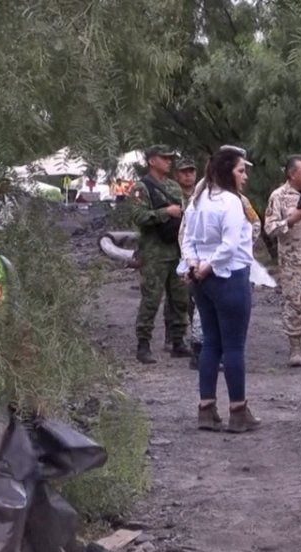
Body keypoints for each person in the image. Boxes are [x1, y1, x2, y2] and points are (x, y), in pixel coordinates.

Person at [179, 147, 260, 434]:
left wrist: (193, 265)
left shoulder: (197, 201)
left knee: (211, 342)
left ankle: (206, 407)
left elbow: (186, 238)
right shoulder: (230, 202)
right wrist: (208, 266)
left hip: (202, 279)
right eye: (241, 170)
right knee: (234, 346)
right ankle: (238, 411)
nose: (245, 176)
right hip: (228, 276)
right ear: (228, 172)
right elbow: (230, 245)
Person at [129, 145, 191, 364]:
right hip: (154, 252)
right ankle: (143, 344)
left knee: (180, 299)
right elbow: (138, 215)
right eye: (164, 158)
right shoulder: (141, 188)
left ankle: (178, 341)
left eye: (170, 158)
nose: (169, 161)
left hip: (176, 250)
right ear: (151, 161)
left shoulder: (174, 187)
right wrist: (166, 212)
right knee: (151, 299)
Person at [264, 155, 301, 367]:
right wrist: (290, 220)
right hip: (292, 261)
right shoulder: (278, 196)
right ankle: (295, 347)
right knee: (294, 303)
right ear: (291, 174)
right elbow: (269, 228)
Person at [173, 157, 204, 369]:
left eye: (191, 171)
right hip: (185, 256)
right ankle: (179, 339)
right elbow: (185, 232)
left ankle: (199, 346)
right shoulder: (175, 194)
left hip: (206, 261)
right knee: (182, 301)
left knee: (196, 307)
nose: (188, 175)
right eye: (184, 172)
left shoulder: (202, 194)